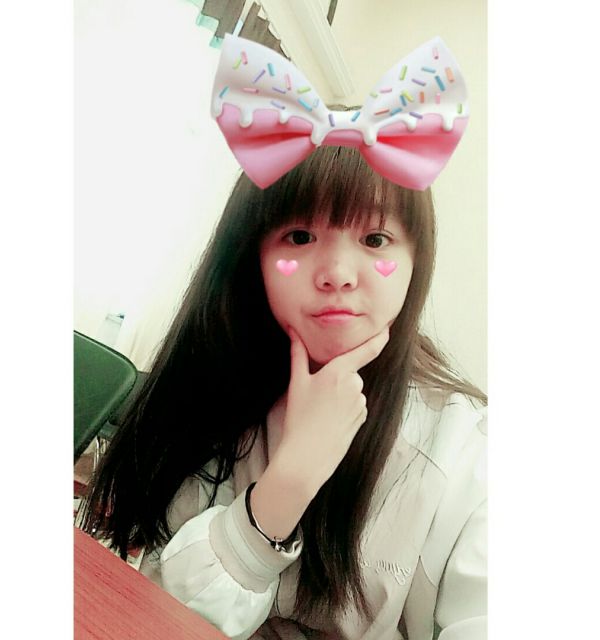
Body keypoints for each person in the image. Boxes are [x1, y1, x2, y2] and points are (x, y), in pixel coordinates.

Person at [81, 35, 486, 640]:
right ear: (254, 258)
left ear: (415, 262)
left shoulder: (466, 449)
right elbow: (164, 607)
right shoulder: (214, 392)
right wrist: (290, 479)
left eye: (375, 240)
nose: (338, 273)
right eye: (299, 237)